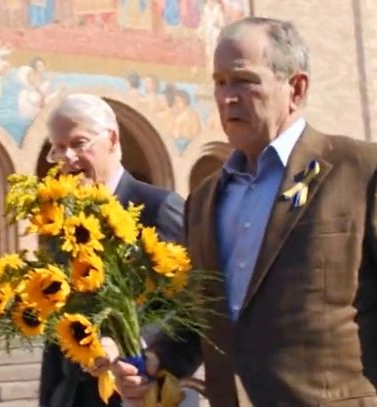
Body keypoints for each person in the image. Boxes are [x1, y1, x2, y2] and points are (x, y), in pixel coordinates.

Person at [113, 16, 377, 407]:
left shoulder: (360, 171)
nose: (227, 97)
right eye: (220, 83)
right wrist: (157, 360)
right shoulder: (203, 201)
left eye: (244, 81)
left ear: (296, 88)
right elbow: (204, 313)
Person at [38, 93, 185, 407]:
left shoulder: (159, 207)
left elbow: (183, 307)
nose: (68, 158)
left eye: (78, 143)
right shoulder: (62, 225)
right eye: (58, 148)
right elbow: (57, 331)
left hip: (143, 393)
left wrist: (132, 346)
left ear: (112, 139)